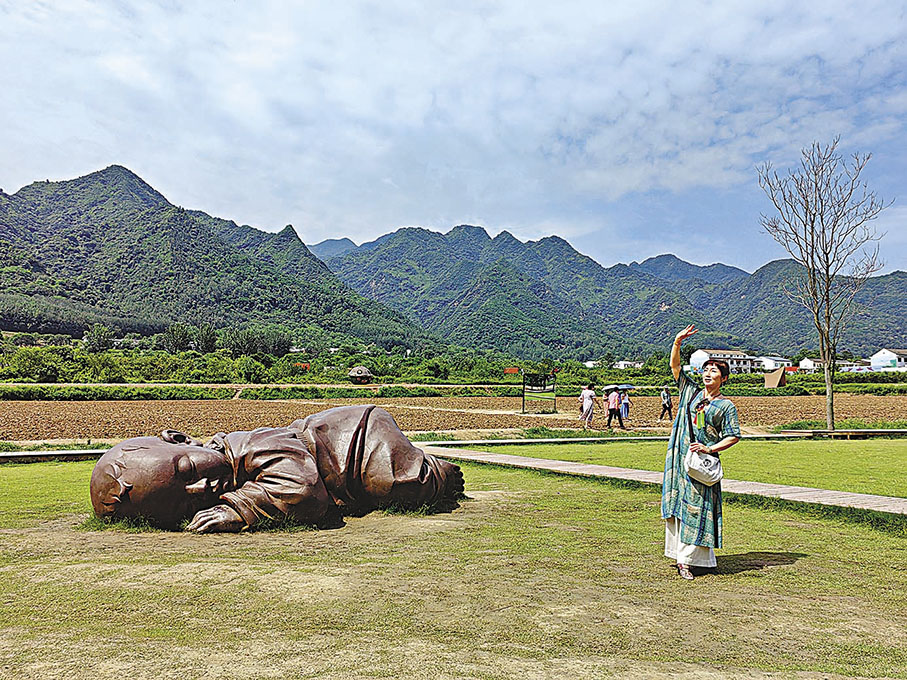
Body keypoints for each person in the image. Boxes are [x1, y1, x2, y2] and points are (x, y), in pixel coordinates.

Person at [90, 405, 464, 532]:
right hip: (341, 480)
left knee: (401, 484)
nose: (202, 488)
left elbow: (303, 492)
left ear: (181, 438)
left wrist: (240, 507)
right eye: (187, 504)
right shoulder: (231, 476)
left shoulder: (251, 445)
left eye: (188, 471)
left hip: (356, 440)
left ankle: (440, 472)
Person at [662, 325, 740, 580]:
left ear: (724, 378)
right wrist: (677, 342)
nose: (708, 373)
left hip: (701, 463)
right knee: (678, 506)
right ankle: (680, 556)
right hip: (679, 458)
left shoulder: (726, 406)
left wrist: (709, 447)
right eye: (706, 369)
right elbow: (675, 368)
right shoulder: (690, 393)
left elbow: (733, 435)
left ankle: (690, 560)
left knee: (697, 506)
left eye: (714, 370)